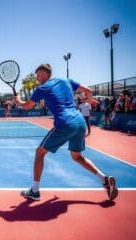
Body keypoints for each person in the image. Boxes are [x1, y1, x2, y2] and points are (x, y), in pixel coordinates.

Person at [13, 64, 118, 201]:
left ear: (45, 74)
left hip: (65, 123)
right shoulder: (66, 80)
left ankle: (34, 190)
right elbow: (89, 90)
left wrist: (18, 100)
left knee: (40, 153)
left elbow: (27, 106)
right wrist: (91, 101)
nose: (37, 79)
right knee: (77, 157)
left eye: (38, 76)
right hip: (80, 123)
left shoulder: (43, 88)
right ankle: (104, 179)